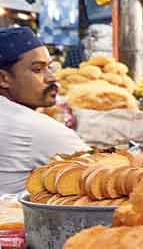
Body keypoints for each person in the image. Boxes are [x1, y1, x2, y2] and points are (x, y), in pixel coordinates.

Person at [0, 27, 87, 194]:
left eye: (50, 67)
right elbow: (101, 174)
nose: (52, 77)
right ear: (4, 79)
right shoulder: (37, 129)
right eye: (38, 70)